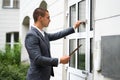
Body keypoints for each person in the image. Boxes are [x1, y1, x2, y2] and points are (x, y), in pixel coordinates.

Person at [25, 8, 83, 80]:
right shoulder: (31, 35)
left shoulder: (42, 33)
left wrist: (74, 27)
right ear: (40, 18)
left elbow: (57, 35)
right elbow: (37, 59)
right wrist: (59, 60)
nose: (50, 20)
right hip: (36, 77)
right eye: (48, 17)